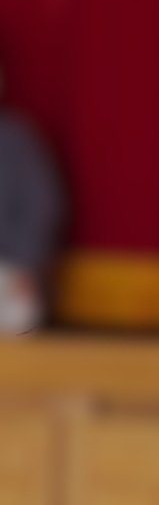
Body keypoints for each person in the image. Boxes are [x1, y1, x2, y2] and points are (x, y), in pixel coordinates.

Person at [0, 59, 65, 335]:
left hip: (7, 268)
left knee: (16, 317)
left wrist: (27, 266)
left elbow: (43, 207)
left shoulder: (18, 139)